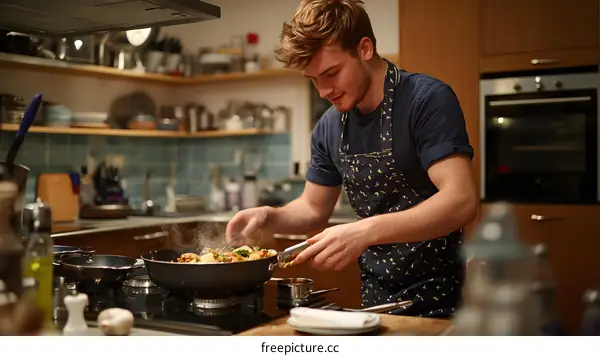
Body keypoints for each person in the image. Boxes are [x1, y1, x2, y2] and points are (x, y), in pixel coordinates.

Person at [226, 0, 478, 318]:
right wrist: (269, 216)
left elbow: (461, 201)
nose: (323, 91)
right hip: (375, 302)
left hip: (442, 300)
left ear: (365, 48)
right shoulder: (328, 127)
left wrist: (363, 232)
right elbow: (314, 208)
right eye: (313, 79)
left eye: (331, 73)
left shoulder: (426, 100)